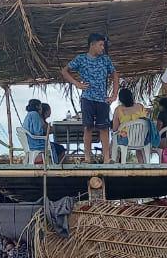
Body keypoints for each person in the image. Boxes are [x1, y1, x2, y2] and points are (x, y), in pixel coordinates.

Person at [61, 33, 118, 163]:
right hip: (87, 98)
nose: (103, 48)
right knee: (87, 127)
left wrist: (114, 95)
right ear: (92, 45)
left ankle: (107, 158)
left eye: (103, 45)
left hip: (102, 99)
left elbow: (115, 75)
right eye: (100, 45)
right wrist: (77, 84)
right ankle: (87, 157)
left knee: (104, 128)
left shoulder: (105, 59)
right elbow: (65, 71)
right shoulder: (81, 59)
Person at [112, 88, 148, 161]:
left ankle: (114, 161)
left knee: (113, 141)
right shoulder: (140, 106)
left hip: (126, 140)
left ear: (121, 99)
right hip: (141, 139)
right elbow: (145, 121)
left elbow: (115, 129)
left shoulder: (118, 109)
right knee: (140, 149)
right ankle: (142, 164)